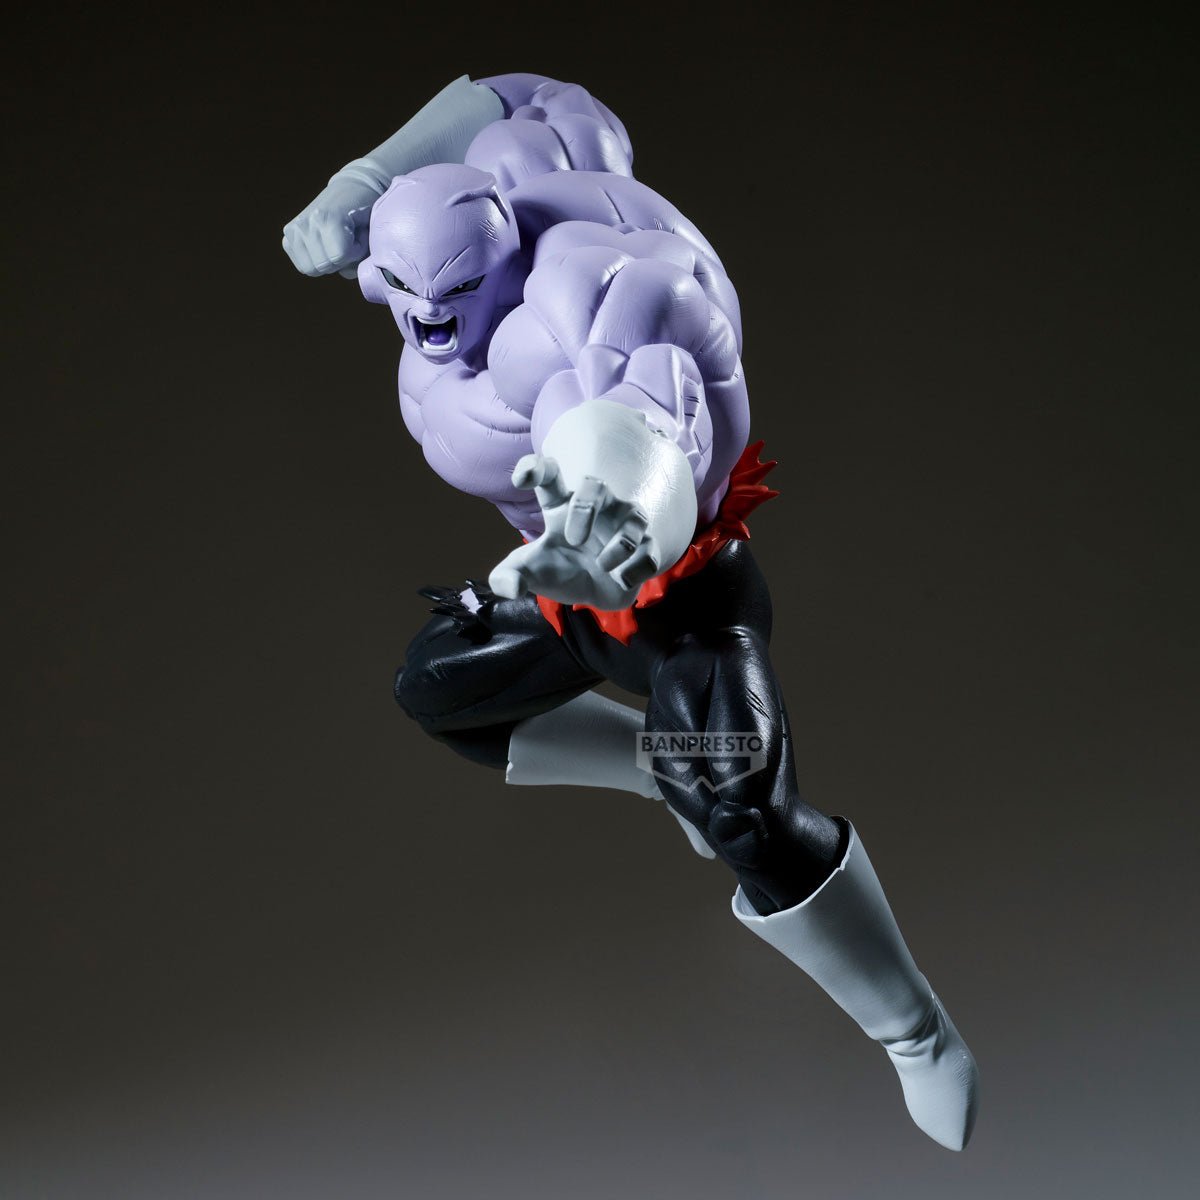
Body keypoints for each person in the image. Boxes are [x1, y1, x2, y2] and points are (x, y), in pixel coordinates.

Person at [282, 72, 979, 1150]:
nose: (430, 323)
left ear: (498, 260)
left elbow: (647, 390)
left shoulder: (588, 283)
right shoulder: (534, 160)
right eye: (406, 299)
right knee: (440, 690)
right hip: (561, 593)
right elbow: (516, 90)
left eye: (452, 296)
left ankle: (915, 1031)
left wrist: (614, 501)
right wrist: (365, 178)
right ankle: (660, 766)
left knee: (744, 817)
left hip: (684, 600)